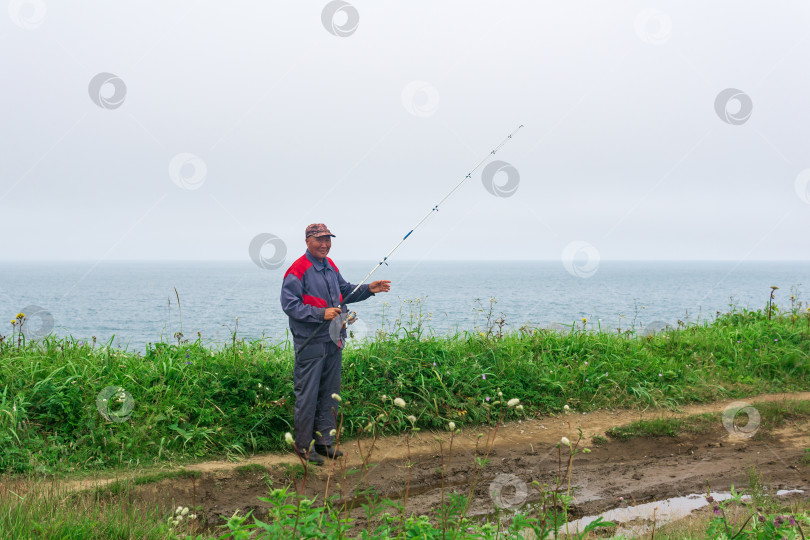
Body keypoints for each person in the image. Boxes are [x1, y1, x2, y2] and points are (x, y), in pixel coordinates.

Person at [280, 223, 391, 464]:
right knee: (307, 394)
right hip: (311, 343)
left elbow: (344, 291)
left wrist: (368, 290)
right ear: (308, 241)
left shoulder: (330, 266)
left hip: (333, 339)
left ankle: (324, 443)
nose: (325, 244)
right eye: (319, 239)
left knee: (330, 393)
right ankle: (303, 447)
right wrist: (321, 314)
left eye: (328, 239)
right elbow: (290, 305)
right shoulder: (297, 270)